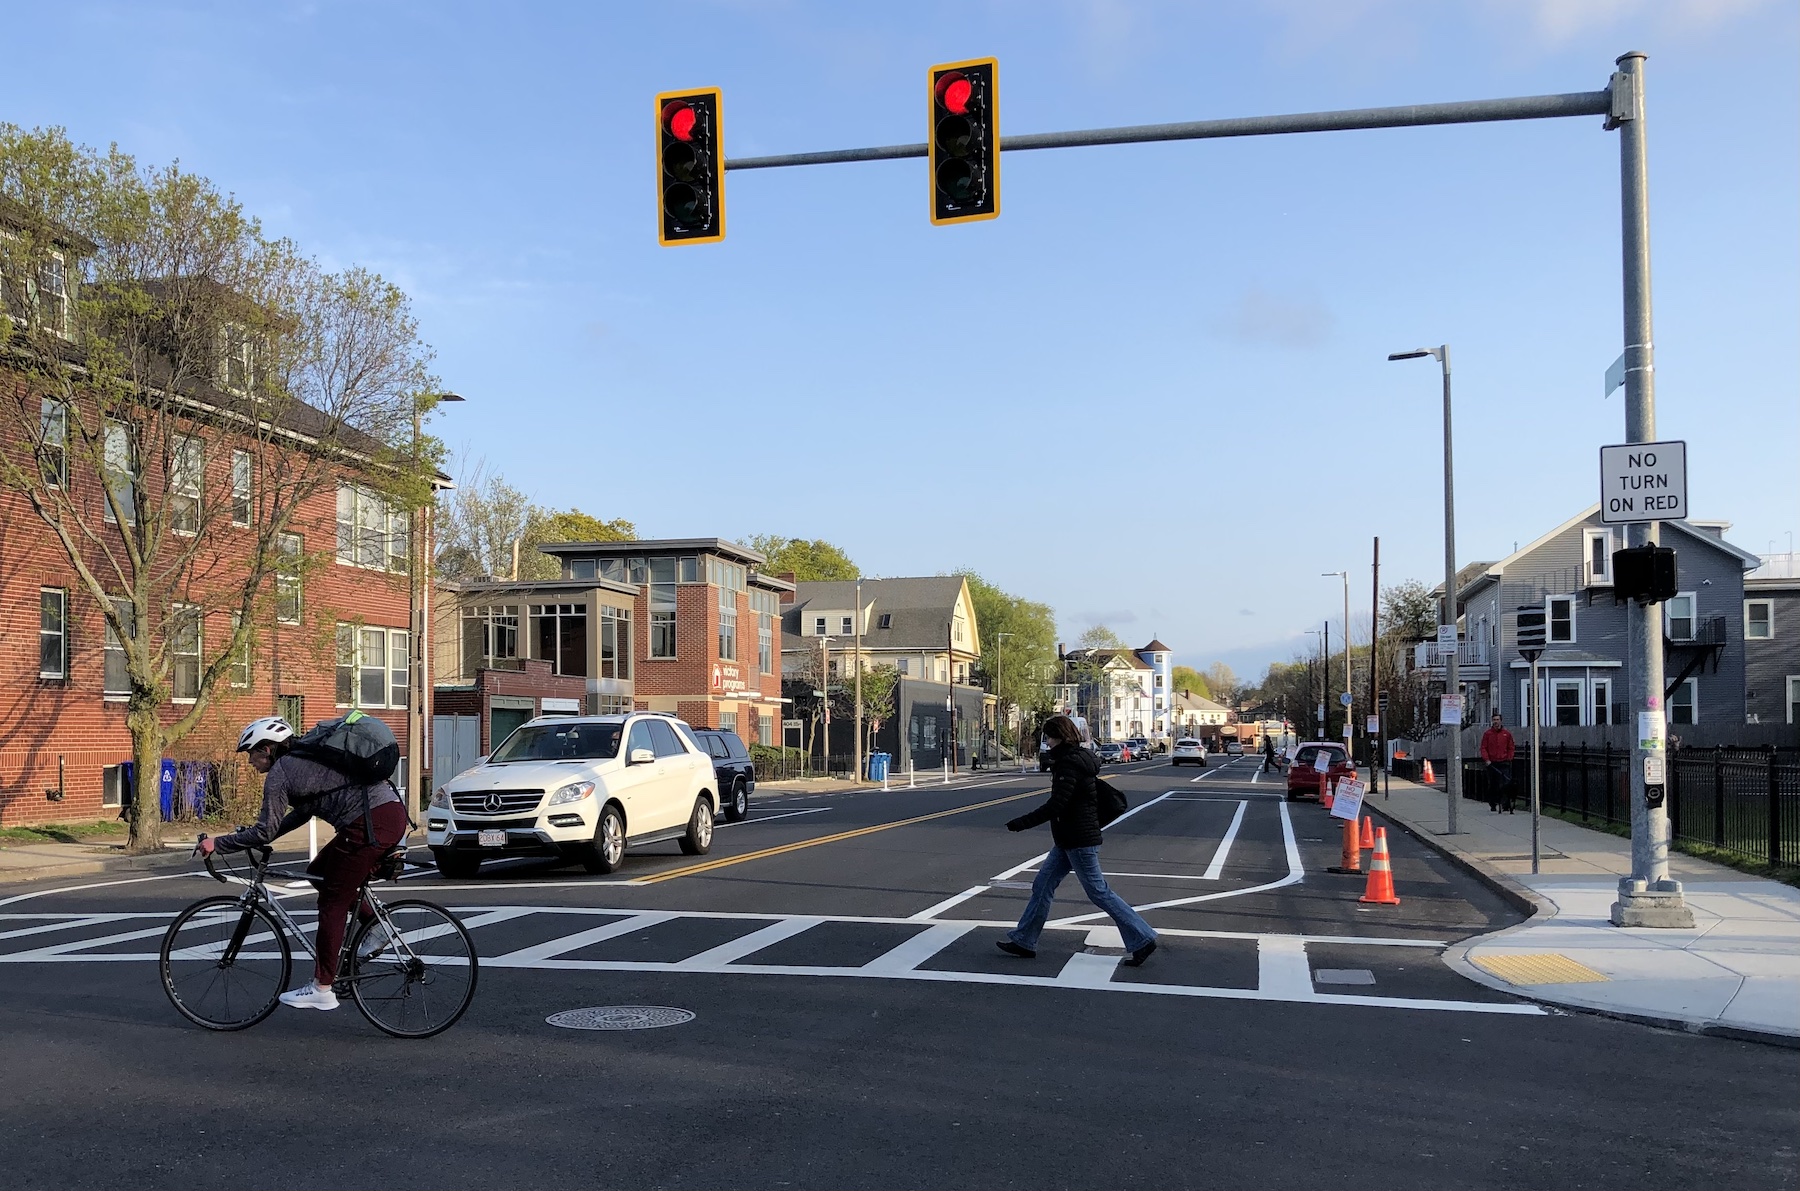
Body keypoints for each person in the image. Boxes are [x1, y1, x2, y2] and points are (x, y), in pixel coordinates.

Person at [198, 717, 409, 1011]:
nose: (250, 762)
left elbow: (265, 830)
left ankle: (322, 987)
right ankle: (375, 926)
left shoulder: (281, 773)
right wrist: (255, 838)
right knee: (319, 872)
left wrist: (218, 844)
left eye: (251, 753)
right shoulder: (304, 760)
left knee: (333, 902)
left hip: (369, 824)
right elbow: (303, 813)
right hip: (385, 815)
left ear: (268, 749)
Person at [997, 714, 1158, 967]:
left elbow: (1057, 804)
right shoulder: (1075, 759)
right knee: (1042, 885)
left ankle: (1142, 937)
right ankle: (1024, 940)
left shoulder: (1068, 764)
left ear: (1060, 736)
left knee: (1099, 892)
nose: (1047, 742)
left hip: (1078, 840)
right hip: (1069, 839)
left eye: (1049, 737)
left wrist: (1022, 823)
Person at [1479, 711, 1517, 813]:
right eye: (1494, 720)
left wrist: (1509, 757)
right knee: (1493, 784)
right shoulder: (1488, 734)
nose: (1496, 722)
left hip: (1504, 762)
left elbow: (1511, 747)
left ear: (1501, 721)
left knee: (1506, 784)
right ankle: (1493, 804)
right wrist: (1486, 759)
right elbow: (1483, 748)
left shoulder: (1506, 734)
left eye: (1497, 720)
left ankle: (1505, 804)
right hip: (1492, 763)